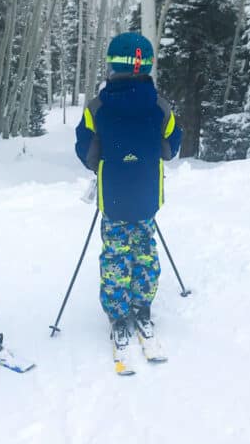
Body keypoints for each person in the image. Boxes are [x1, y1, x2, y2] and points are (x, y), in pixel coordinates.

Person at [74, 32, 182, 351]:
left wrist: (102, 162)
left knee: (116, 255)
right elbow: (171, 147)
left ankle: (119, 313)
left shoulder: (98, 107)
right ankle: (142, 305)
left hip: (114, 198)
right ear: (146, 65)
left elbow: (86, 150)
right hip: (147, 197)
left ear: (111, 64)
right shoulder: (160, 107)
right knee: (145, 251)